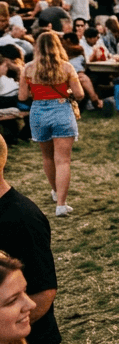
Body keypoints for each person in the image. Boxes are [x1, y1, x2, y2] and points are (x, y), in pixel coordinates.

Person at [17, 33, 84, 218]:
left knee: (47, 157)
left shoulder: (28, 69)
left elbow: (22, 97)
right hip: (62, 109)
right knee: (63, 160)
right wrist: (66, 90)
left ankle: (55, 191)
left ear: (37, 47)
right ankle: (61, 205)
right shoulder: (66, 67)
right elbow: (78, 94)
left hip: (38, 111)